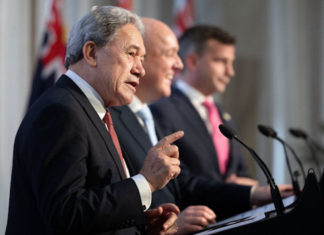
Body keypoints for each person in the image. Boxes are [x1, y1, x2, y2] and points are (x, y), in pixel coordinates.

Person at [5, 6, 183, 235]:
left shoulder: (95, 112)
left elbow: (92, 207)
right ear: (91, 53)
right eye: (131, 54)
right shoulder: (60, 111)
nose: (141, 70)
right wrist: (146, 183)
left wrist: (141, 227)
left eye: (143, 58)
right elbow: (65, 214)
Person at [110, 18, 294, 235]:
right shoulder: (135, 114)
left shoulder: (150, 113)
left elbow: (180, 181)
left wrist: (251, 192)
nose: (178, 64)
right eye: (170, 54)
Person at [150, 25, 258, 186]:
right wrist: (243, 193)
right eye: (221, 61)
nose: (230, 72)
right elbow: (176, 180)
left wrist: (250, 188)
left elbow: (239, 171)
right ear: (193, 61)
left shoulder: (223, 114)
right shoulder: (162, 110)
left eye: (231, 62)